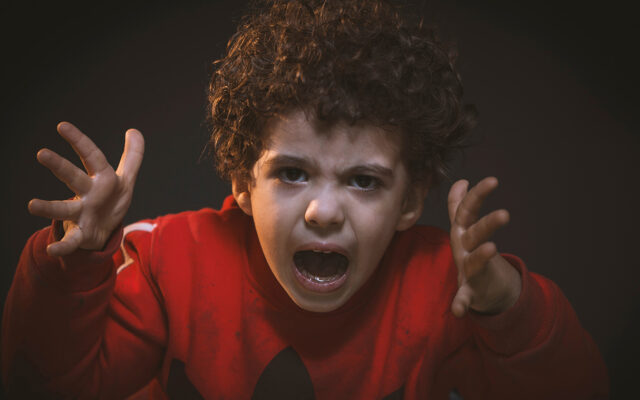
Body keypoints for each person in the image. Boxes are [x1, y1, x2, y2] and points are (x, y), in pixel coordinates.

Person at [1, 0, 608, 398]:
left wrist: (506, 307)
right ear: (242, 182)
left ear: (408, 202)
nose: (322, 211)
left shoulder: (443, 288)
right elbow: (46, 381)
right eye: (292, 173)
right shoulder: (165, 259)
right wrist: (76, 261)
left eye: (364, 181)